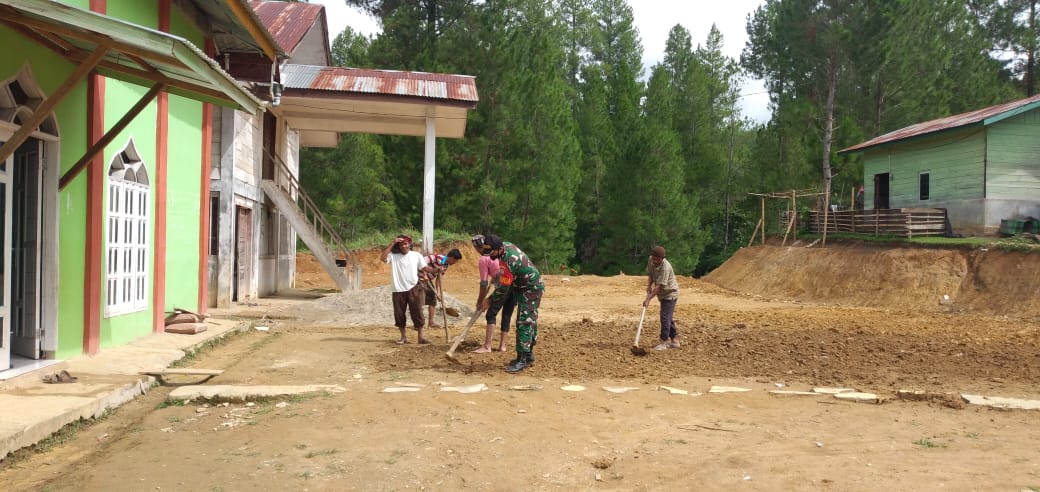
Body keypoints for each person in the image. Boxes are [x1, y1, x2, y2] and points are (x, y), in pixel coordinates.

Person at [479, 234, 543, 373]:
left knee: (524, 321)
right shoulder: (504, 247)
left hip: (531, 289)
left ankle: (522, 359)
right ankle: (529, 355)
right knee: (530, 319)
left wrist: (489, 300)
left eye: (492, 252)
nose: (490, 255)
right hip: (522, 287)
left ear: (500, 248)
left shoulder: (508, 261)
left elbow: (503, 288)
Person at [380, 234, 438, 344]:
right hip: (398, 289)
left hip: (414, 288)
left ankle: (420, 338)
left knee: (418, 312)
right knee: (399, 314)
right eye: (401, 244)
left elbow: (425, 267)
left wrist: (435, 270)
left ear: (410, 244)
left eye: (405, 243)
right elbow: (382, 258)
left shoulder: (416, 255)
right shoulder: (393, 256)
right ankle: (403, 337)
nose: (403, 246)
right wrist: (392, 243)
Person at [470, 235, 516, 353]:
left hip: (504, 286)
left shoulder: (484, 259)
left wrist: (480, 301)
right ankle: (502, 346)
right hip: (514, 285)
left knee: (491, 314)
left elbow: (484, 283)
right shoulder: (500, 252)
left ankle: (487, 346)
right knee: (507, 314)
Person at [643, 245, 680, 350]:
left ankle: (664, 342)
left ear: (662, 258)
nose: (655, 261)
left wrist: (648, 299)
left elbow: (659, 286)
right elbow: (650, 274)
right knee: (667, 317)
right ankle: (675, 341)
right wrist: (649, 285)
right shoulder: (651, 260)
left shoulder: (666, 267)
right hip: (662, 294)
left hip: (670, 293)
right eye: (653, 258)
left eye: (657, 259)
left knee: (664, 317)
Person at [420, 248, 463, 327]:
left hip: (428, 281)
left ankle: (431, 322)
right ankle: (419, 324)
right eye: (455, 261)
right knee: (420, 300)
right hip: (419, 278)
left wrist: (438, 293)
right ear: (452, 258)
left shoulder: (445, 266)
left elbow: (438, 279)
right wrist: (425, 274)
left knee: (433, 298)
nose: (455, 263)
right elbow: (420, 262)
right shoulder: (436, 257)